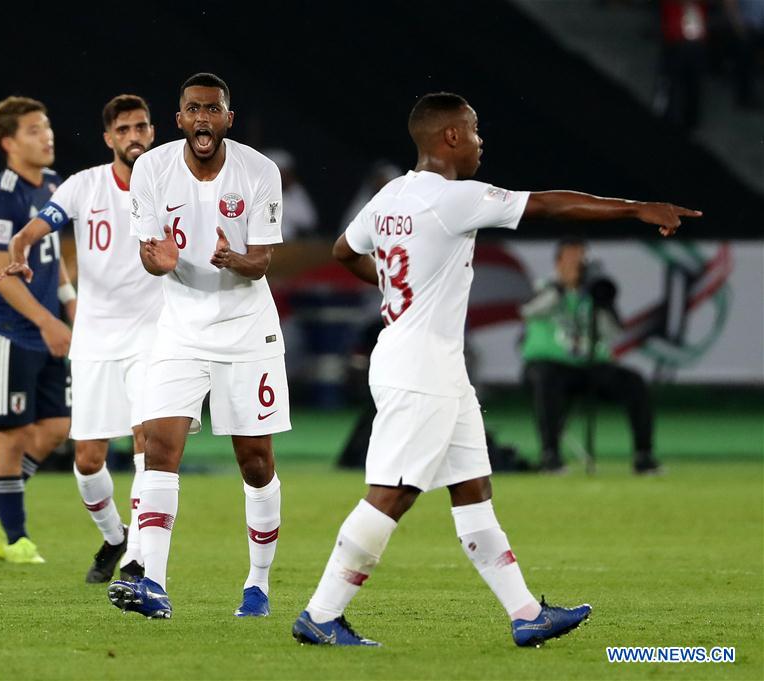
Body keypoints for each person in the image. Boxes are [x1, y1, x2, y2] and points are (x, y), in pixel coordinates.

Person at [292, 92, 701, 647]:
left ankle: (526, 613)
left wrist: (395, 288)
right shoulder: (453, 199)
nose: (482, 140)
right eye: (475, 129)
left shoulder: (392, 196)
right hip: (421, 366)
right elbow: (549, 205)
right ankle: (320, 613)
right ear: (451, 137)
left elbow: (344, 249)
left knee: (473, 488)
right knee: (393, 492)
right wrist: (635, 208)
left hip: (427, 360)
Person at [106, 73, 290, 620]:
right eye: (193, 109)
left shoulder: (259, 172)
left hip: (246, 329)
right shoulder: (152, 170)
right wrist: (154, 261)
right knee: (160, 447)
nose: (203, 118)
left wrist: (232, 259)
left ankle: (257, 582)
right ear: (181, 118)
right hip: (180, 329)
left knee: (255, 462)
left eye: (213, 109)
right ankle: (154, 584)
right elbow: (149, 252)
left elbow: (261, 262)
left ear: (227, 119)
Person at [0, 95, 162, 583]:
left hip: (153, 335)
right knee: (88, 460)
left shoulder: (170, 185)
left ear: (152, 132)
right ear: (109, 138)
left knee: (145, 444)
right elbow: (35, 227)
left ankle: (139, 563)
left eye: (141, 126)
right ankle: (117, 537)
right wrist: (20, 247)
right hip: (94, 337)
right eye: (124, 129)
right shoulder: (83, 186)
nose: (134, 135)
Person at [0, 96, 74, 564]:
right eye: (33, 130)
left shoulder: (53, 184)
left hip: (47, 330)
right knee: (14, 433)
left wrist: (68, 302)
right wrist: (47, 321)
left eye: (46, 126)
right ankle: (16, 538)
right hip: (11, 333)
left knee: (56, 429)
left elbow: (54, 259)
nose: (46, 136)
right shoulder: (3, 196)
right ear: (8, 142)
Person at [520, 238, 660, 474]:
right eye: (571, 257)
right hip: (550, 364)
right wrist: (562, 288)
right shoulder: (544, 287)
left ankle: (643, 456)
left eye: (580, 257)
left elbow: (615, 332)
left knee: (634, 382)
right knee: (546, 379)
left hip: (589, 365)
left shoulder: (593, 293)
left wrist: (603, 302)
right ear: (558, 261)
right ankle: (550, 455)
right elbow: (528, 311)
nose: (576, 263)